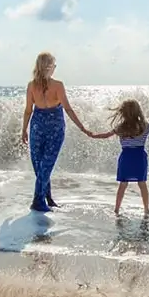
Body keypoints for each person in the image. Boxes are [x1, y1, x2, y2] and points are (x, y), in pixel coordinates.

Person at [88, 99, 149, 215]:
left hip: (126, 158)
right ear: (138, 111)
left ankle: (116, 209)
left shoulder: (121, 127)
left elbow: (105, 135)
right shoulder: (145, 126)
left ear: (123, 113)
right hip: (139, 158)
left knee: (123, 185)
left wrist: (92, 135)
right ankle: (146, 209)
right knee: (142, 184)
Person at [22, 52, 88, 212]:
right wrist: (82, 128)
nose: (55, 68)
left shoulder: (32, 85)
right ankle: (38, 201)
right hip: (53, 127)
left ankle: (47, 198)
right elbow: (68, 108)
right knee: (43, 166)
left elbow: (28, 111)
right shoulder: (57, 85)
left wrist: (24, 129)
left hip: (38, 126)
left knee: (42, 165)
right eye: (54, 65)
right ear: (49, 67)